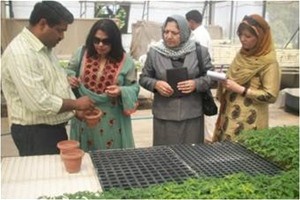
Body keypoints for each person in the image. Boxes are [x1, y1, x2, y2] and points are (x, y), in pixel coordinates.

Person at [1, 1, 95, 156]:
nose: (62, 36)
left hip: (50, 128)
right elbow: (39, 102)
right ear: (42, 23)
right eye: (59, 30)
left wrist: (74, 111)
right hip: (36, 133)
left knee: (56, 173)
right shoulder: (22, 53)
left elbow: (56, 85)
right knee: (43, 175)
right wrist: (76, 104)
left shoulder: (45, 49)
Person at [139, 14, 214, 146]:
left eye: (174, 33)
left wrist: (196, 84)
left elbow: (212, 78)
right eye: (166, 31)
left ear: (184, 33)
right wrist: (156, 84)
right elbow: (144, 78)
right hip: (164, 115)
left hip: (192, 114)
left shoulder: (199, 52)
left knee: (191, 155)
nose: (169, 36)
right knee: (165, 156)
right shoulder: (155, 53)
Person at [66, 19, 140, 151]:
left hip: (111, 120)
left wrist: (121, 90)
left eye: (106, 41)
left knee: (110, 159)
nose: (100, 45)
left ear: (115, 41)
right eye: (96, 40)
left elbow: (134, 87)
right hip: (85, 113)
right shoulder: (82, 53)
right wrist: (70, 78)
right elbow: (69, 70)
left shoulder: (126, 60)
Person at [213, 14, 281, 142]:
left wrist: (241, 89)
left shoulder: (269, 63)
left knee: (244, 156)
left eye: (248, 36)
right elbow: (234, 76)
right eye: (240, 35)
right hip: (229, 116)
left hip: (250, 121)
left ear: (261, 38)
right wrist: (224, 79)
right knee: (224, 154)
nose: (243, 39)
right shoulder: (242, 55)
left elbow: (271, 95)